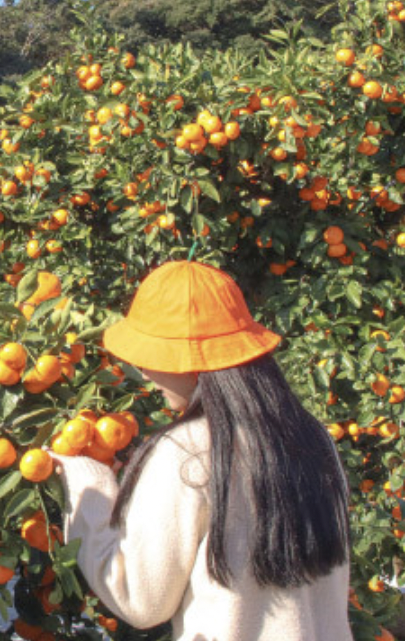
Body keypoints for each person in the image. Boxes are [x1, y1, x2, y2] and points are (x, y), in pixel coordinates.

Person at [51, 260, 353, 641]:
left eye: (154, 356)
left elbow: (140, 601)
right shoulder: (311, 436)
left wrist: (89, 492)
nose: (143, 371)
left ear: (194, 363)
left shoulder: (185, 452)